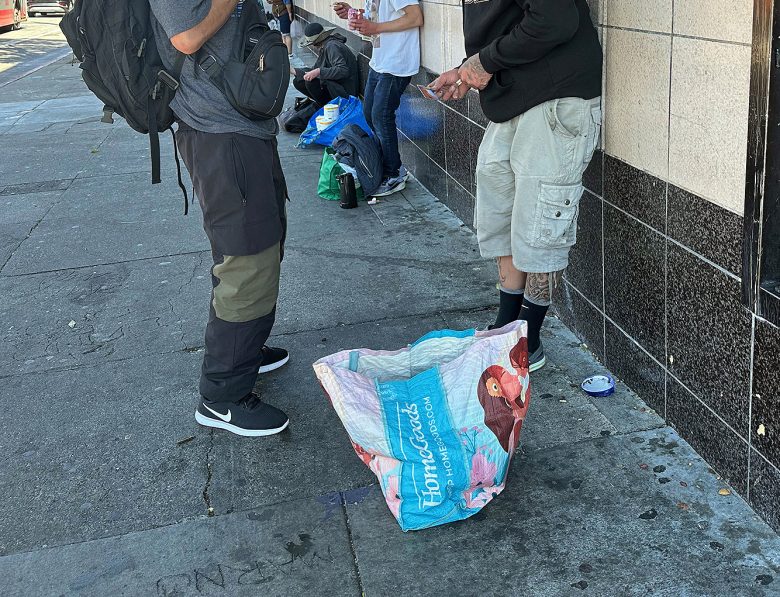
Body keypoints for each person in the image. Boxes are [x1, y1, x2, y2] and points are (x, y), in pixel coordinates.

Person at [431, 0, 603, 372]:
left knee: (540, 226)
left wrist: (485, 61)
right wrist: (467, 69)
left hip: (556, 99)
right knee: (501, 218)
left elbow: (555, 18)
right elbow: (507, 24)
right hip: (511, 103)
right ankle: (506, 328)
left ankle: (528, 341)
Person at [149, 0, 291, 437]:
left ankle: (245, 350)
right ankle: (223, 396)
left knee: (262, 242)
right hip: (218, 130)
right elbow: (185, 37)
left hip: (241, 128)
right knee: (247, 260)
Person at [333, 0, 423, 197]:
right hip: (380, 60)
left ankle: (394, 174)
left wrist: (375, 26)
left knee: (381, 116)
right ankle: (386, 164)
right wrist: (353, 14)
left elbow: (415, 17)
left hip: (397, 61)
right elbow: (375, 22)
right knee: (370, 113)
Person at [293, 23, 359, 106]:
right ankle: (321, 104)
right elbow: (315, 69)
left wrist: (319, 71)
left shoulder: (332, 46)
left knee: (311, 83)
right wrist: (296, 71)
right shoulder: (325, 46)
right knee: (298, 81)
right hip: (336, 84)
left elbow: (343, 70)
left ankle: (326, 105)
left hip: (345, 90)